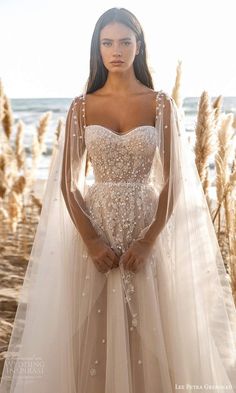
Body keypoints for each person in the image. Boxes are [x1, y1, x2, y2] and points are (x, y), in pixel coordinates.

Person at [1, 7, 236, 393]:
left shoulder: (161, 105)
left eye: (125, 42)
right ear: (97, 48)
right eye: (107, 42)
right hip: (94, 228)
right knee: (88, 327)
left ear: (138, 47)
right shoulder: (82, 106)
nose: (116, 50)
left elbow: (172, 182)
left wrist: (148, 239)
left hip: (145, 227)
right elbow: (68, 183)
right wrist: (91, 240)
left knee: (150, 328)